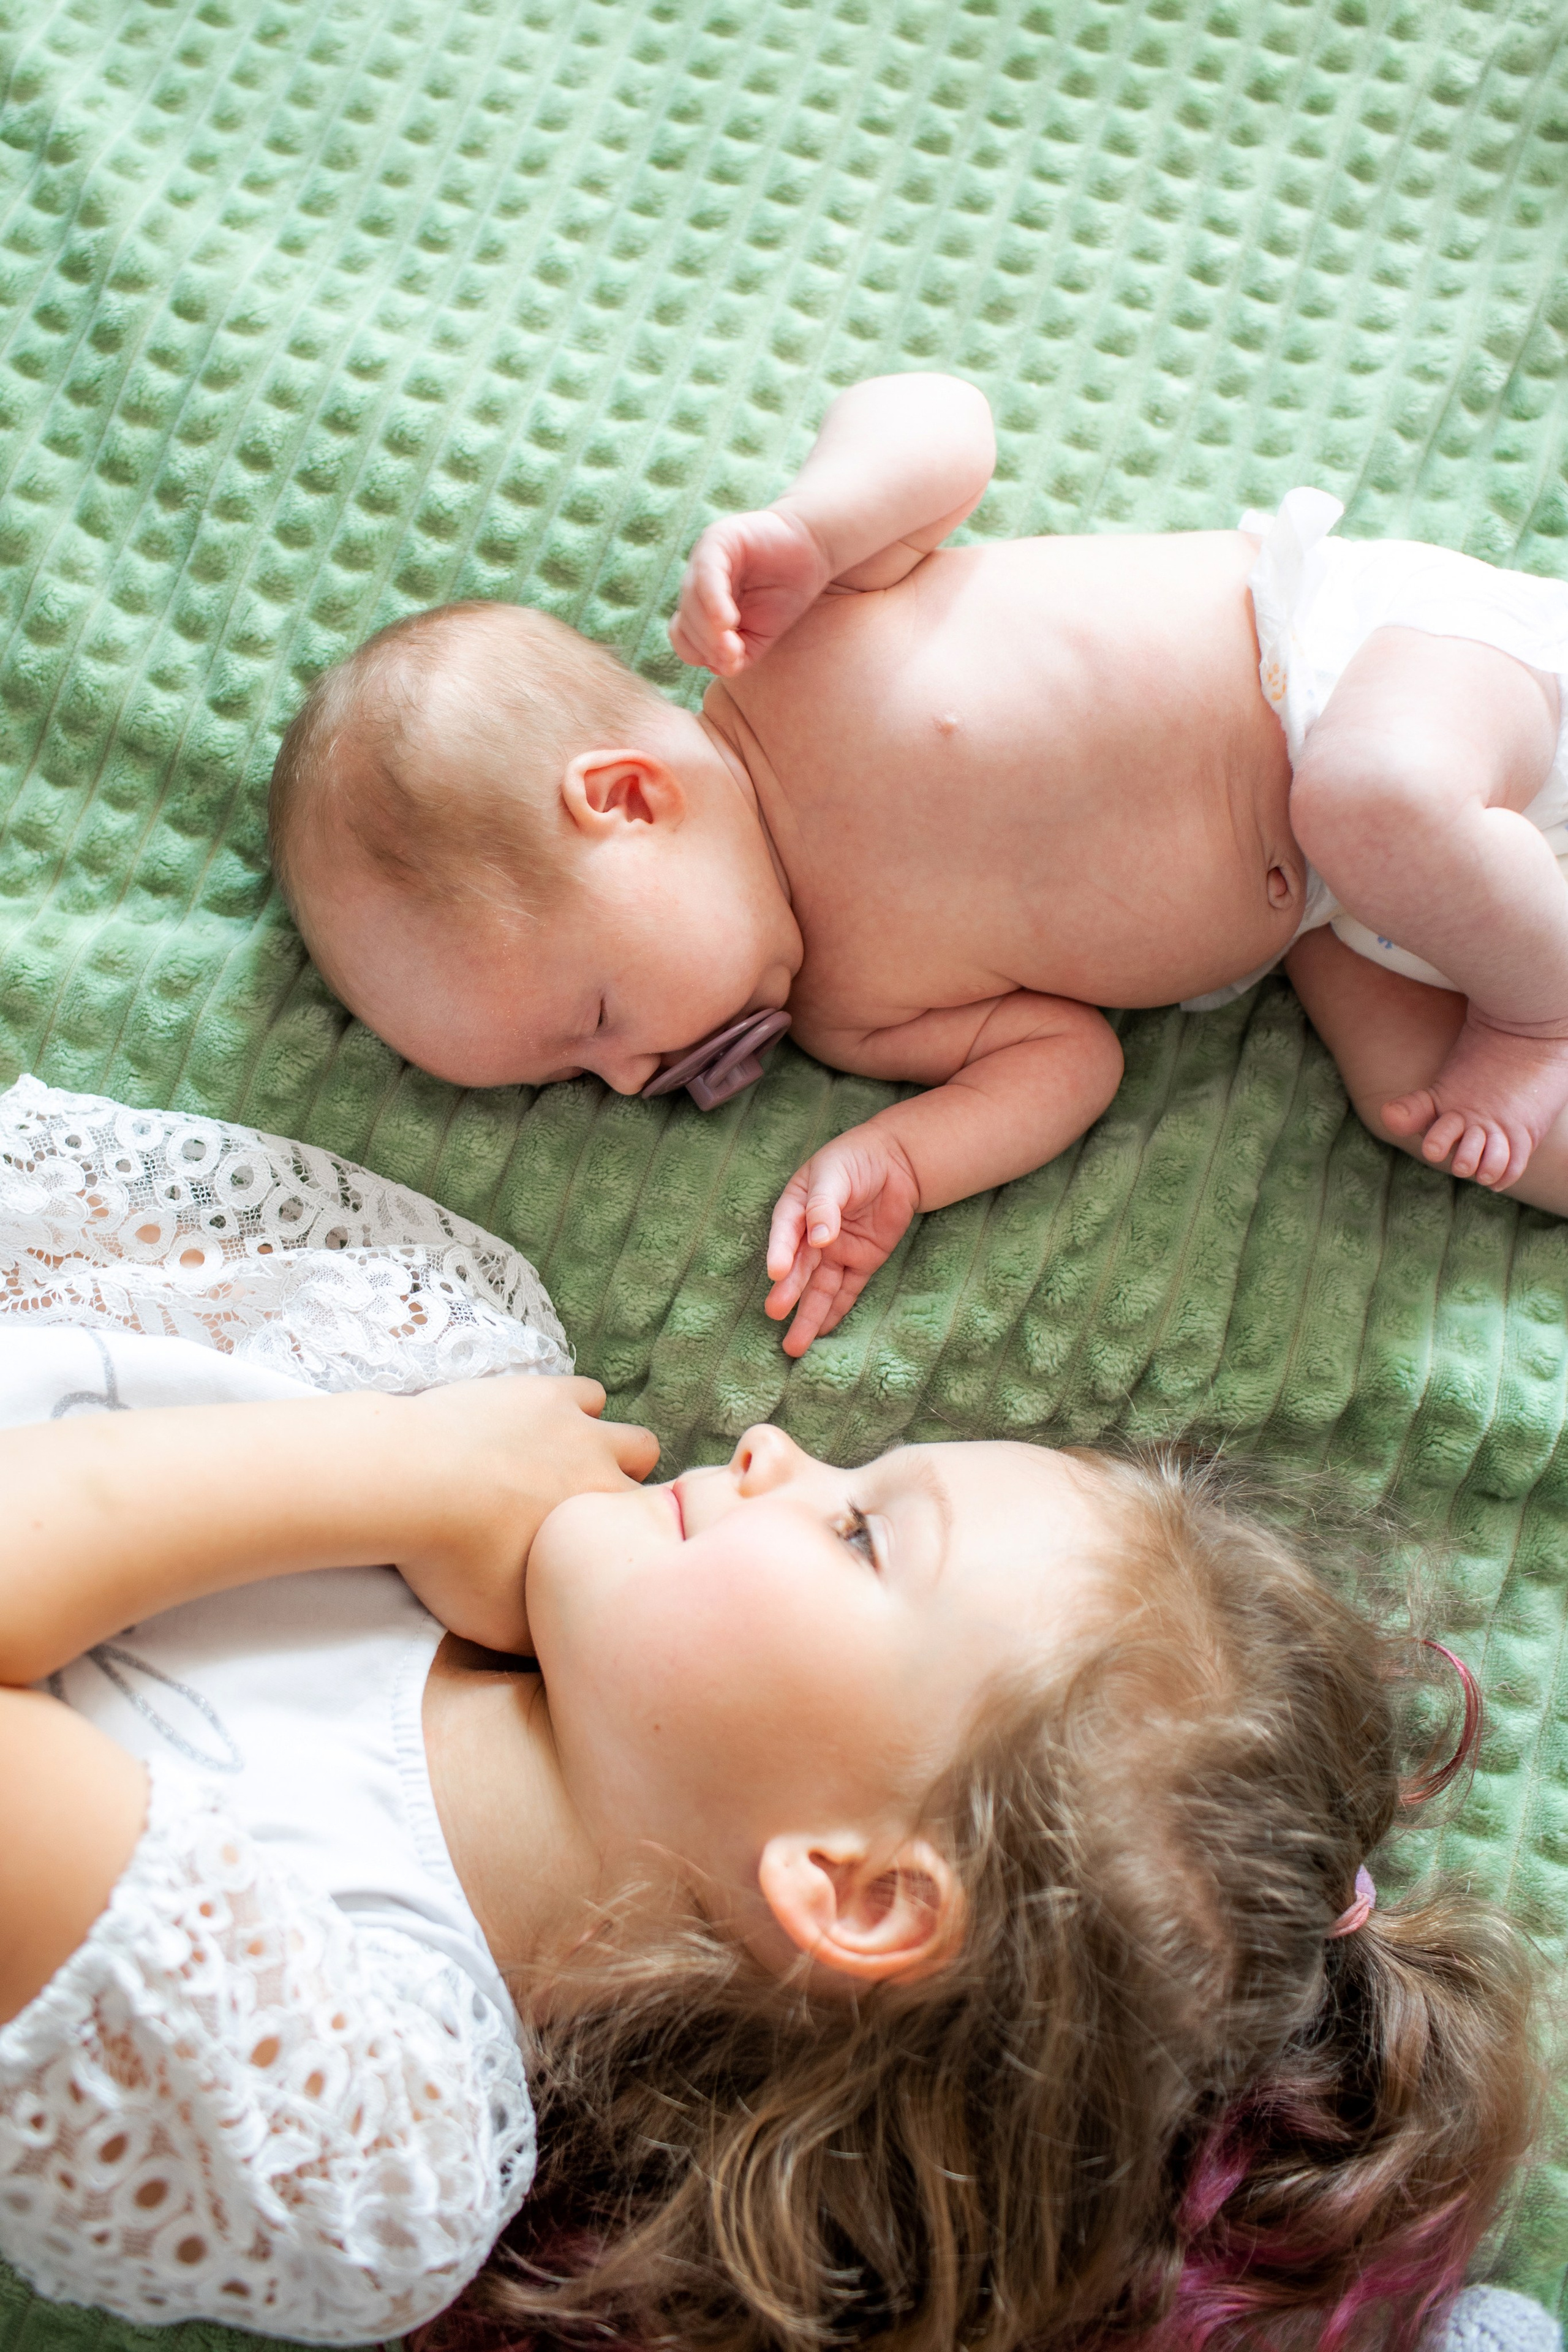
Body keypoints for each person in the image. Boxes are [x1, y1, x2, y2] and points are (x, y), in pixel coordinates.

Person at [0, 1250, 1544, 2344]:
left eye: (860, 1533)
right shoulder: (455, 1369)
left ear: (856, 1887)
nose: (773, 1447)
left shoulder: (346, 2109)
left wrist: (399, 1470)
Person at [268, 374, 1568, 1354]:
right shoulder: (846, 1013)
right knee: (1422, 1100)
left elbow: (939, 419)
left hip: (1367, 670)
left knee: (1371, 797)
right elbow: (1068, 1059)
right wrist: (903, 1161)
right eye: (580, 1078)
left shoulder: (791, 649)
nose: (627, 1078)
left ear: (624, 800)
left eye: (596, 1021)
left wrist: (811, 525)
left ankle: (1537, 1001)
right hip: (1338, 919)